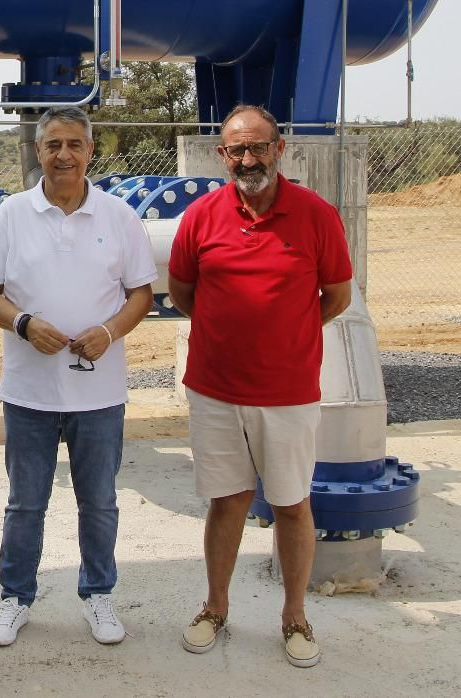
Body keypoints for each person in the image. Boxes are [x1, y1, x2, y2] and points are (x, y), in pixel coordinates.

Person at [166, 103, 353, 669]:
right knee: (227, 502)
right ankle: (215, 608)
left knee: (293, 504)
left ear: (280, 149)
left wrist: (284, 334)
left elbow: (337, 298)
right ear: (222, 156)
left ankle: (295, 616)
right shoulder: (201, 216)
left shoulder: (317, 216)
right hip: (215, 390)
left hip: (289, 392)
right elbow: (182, 292)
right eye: (236, 150)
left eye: (258, 147)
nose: (248, 159)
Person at [0, 105, 156, 648]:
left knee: (98, 501)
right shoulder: (11, 215)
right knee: (25, 502)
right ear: (38, 151)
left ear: (90, 151)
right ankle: (15, 598)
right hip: (29, 393)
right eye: (53, 145)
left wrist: (110, 331)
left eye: (75, 144)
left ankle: (99, 594)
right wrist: (24, 324)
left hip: (98, 394)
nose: (64, 155)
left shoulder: (119, 217)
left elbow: (141, 293)